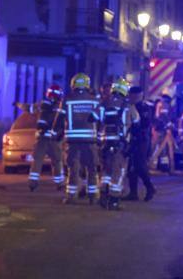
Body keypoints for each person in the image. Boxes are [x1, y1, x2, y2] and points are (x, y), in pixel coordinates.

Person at [63, 72, 101, 204]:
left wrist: (55, 134)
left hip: (73, 141)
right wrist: (100, 138)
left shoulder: (67, 100)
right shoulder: (95, 100)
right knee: (92, 168)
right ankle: (93, 197)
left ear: (73, 84)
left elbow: (60, 118)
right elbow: (101, 120)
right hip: (90, 140)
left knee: (73, 168)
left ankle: (71, 197)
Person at [99, 78, 134, 210]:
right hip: (121, 144)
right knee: (118, 171)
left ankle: (103, 194)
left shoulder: (105, 103)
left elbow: (96, 119)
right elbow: (136, 121)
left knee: (106, 170)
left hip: (106, 143)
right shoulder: (127, 105)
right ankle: (114, 200)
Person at [28, 83, 66, 191]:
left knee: (37, 161)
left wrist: (18, 104)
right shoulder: (61, 107)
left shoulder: (42, 104)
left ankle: (33, 183)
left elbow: (30, 109)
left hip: (41, 139)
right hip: (54, 140)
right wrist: (61, 134)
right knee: (57, 161)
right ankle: (59, 183)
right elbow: (64, 123)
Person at [125, 86, 156, 202]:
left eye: (133, 96)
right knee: (131, 167)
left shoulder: (144, 108)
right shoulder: (130, 107)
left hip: (141, 140)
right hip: (131, 139)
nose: (131, 97)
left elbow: (145, 124)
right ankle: (133, 193)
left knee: (139, 166)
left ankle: (150, 188)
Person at [149, 90, 177, 173]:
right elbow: (161, 117)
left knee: (162, 149)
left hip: (160, 129)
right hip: (159, 129)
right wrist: (168, 124)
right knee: (157, 148)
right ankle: (153, 165)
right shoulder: (163, 104)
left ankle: (162, 166)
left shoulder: (161, 104)